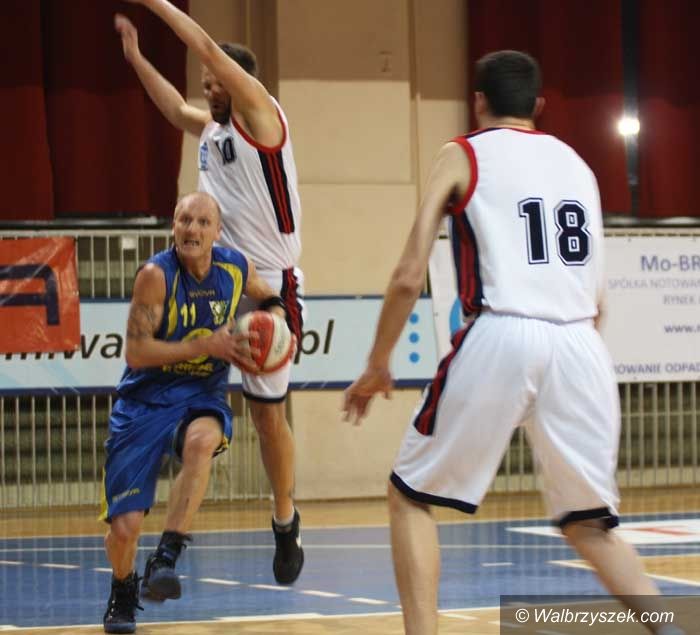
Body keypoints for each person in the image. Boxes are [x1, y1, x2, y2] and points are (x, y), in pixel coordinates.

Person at [343, 50, 684, 635]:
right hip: (581, 343)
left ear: (477, 101)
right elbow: (599, 298)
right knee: (589, 524)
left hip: (502, 329)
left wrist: (377, 363)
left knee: (410, 496)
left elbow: (408, 274)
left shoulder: (463, 153)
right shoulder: (578, 165)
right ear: (539, 105)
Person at [115, 0, 304, 586]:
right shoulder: (213, 129)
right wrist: (135, 57)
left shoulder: (262, 117)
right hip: (212, 277)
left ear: (238, 81)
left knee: (268, 415)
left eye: (216, 81)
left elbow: (204, 47)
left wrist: (156, 6)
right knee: (175, 374)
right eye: (207, 83)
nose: (209, 88)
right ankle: (169, 542)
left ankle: (284, 518)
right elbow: (175, 108)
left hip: (267, 282)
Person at [101, 191, 288, 634]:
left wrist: (278, 321)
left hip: (200, 395)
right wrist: (206, 345)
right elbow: (136, 351)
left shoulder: (234, 268)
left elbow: (267, 295)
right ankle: (123, 587)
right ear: (173, 226)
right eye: (185, 220)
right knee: (124, 529)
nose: (193, 229)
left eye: (203, 222)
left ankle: (166, 556)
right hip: (144, 401)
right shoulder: (156, 275)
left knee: (202, 442)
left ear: (218, 232)